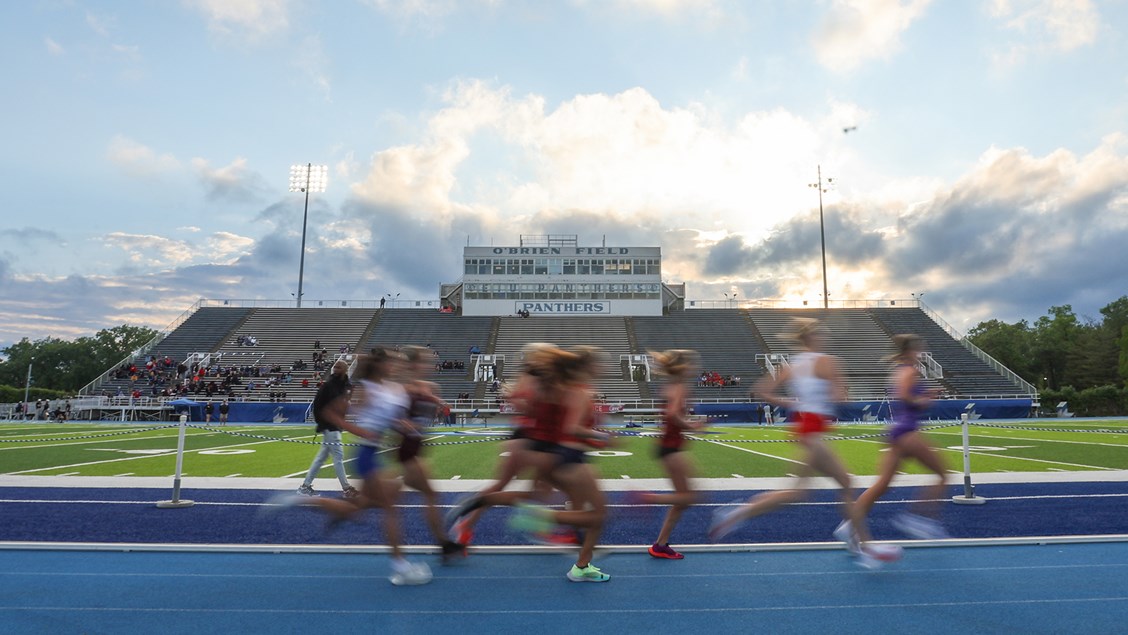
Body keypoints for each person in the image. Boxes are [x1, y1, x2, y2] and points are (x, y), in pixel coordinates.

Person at [708, 318, 900, 569]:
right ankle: (865, 545)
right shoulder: (828, 361)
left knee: (807, 491)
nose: (825, 338)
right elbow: (839, 398)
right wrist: (837, 393)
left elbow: (761, 391)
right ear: (815, 338)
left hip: (804, 425)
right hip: (812, 428)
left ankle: (737, 513)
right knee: (836, 484)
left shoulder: (793, 364)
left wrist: (793, 403)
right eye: (823, 335)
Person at [273, 349, 432, 585]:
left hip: (373, 454)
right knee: (391, 509)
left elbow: (387, 418)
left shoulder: (387, 388)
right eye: (390, 361)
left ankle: (301, 501)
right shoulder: (366, 388)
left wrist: (402, 425)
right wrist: (363, 431)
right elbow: (332, 413)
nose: (395, 365)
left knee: (359, 508)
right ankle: (401, 567)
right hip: (365, 454)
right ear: (380, 365)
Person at [854, 334, 950, 540]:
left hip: (896, 430)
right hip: (908, 430)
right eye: (918, 350)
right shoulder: (910, 370)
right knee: (943, 475)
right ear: (909, 351)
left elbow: (904, 393)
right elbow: (906, 397)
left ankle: (849, 524)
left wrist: (927, 393)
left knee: (882, 484)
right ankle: (918, 518)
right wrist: (924, 400)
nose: (921, 354)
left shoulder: (899, 370)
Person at [635, 350, 704, 560]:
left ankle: (660, 545)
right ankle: (647, 499)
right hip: (671, 447)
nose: (694, 368)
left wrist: (687, 425)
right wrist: (691, 426)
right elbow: (673, 414)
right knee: (692, 496)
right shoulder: (680, 388)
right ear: (683, 368)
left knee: (682, 500)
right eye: (691, 364)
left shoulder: (670, 386)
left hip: (669, 445)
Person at [398, 346, 465, 561]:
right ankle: (444, 544)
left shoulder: (429, 387)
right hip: (406, 450)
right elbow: (392, 416)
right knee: (431, 494)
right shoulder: (403, 389)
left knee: (377, 500)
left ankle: (343, 511)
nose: (429, 366)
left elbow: (427, 413)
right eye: (424, 361)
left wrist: (436, 401)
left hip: (418, 450)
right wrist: (402, 422)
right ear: (412, 364)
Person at [297, 360, 359, 499]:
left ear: (345, 369)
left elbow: (344, 406)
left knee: (321, 458)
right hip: (330, 427)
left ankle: (305, 486)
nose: (335, 369)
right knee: (338, 457)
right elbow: (318, 405)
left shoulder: (347, 386)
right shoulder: (328, 385)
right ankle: (346, 488)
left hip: (336, 425)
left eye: (338, 367)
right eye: (334, 366)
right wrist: (323, 423)